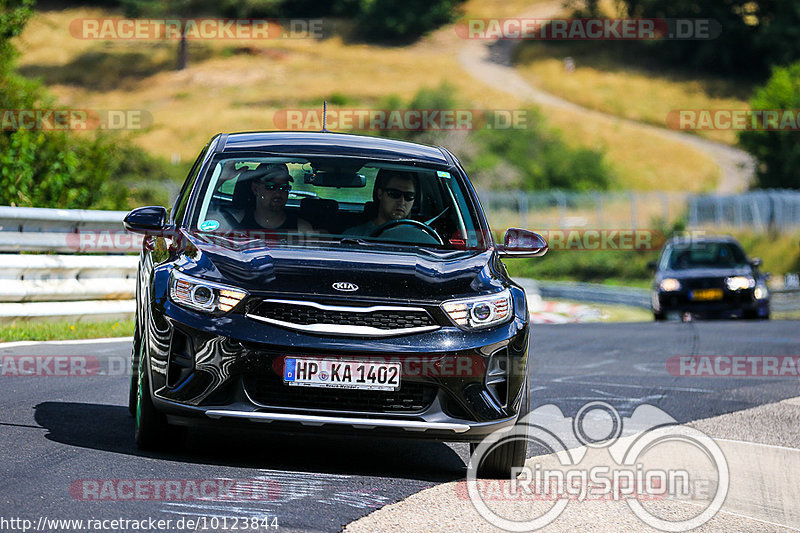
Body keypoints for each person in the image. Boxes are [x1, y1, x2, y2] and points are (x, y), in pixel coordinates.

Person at [240, 163, 312, 232]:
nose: (278, 193)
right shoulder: (235, 221)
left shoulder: (302, 229)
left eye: (284, 187)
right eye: (271, 186)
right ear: (255, 188)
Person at [344, 170, 417, 236]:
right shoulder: (355, 235)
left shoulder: (418, 237)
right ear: (380, 194)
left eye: (409, 196)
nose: (402, 202)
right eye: (394, 194)